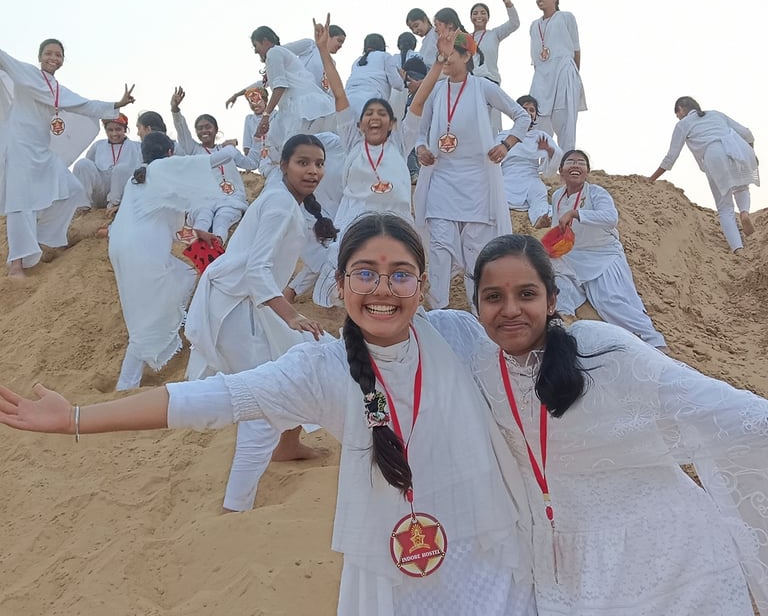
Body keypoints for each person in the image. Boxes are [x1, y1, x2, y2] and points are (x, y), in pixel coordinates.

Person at [0, 213, 537, 616]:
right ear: (340, 285)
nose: (382, 289)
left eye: (401, 274)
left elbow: (534, 369)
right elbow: (210, 400)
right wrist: (77, 418)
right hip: (392, 568)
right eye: (365, 273)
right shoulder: (320, 368)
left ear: (422, 284)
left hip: (490, 548)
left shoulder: (458, 333)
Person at [466, 233, 768, 614]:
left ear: (552, 299)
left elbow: (711, 405)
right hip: (563, 565)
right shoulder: (481, 369)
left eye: (527, 294)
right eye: (494, 297)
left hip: (668, 560)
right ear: (477, 304)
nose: (510, 309)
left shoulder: (600, 349)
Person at [183, 134, 336, 512]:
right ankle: (236, 506)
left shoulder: (288, 204)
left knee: (301, 362)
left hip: (251, 302)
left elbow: (300, 261)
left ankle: (287, 446)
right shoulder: (279, 204)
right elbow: (256, 269)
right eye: (303, 162)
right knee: (263, 397)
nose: (313, 171)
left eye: (318, 163)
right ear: (284, 166)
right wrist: (291, 314)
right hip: (233, 305)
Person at [309, 17, 424, 308]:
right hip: (356, 220)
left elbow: (419, 101)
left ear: (393, 123)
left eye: (382, 114)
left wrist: (438, 66)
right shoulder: (353, 141)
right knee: (349, 276)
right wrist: (323, 51)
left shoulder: (399, 143)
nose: (375, 118)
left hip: (393, 224)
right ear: (359, 124)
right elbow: (339, 94)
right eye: (369, 115)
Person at [108, 132, 237, 391]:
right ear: (169, 152)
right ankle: (126, 384)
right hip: (144, 251)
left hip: (122, 249)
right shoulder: (163, 167)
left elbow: (171, 227)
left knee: (180, 280)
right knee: (149, 317)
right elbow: (221, 158)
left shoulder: (138, 178)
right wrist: (230, 146)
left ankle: (182, 321)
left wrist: (198, 234)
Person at [413, 30, 531, 308]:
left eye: (451, 54)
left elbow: (522, 117)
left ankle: (479, 316)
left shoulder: (483, 87)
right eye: (442, 55)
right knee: (440, 249)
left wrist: (506, 145)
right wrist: (421, 149)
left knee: (476, 253)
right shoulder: (437, 90)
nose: (445, 60)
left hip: (477, 184)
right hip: (442, 180)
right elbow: (420, 132)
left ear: (467, 56)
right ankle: (439, 313)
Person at [0, 40, 135, 278]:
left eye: (58, 55)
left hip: (42, 151)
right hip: (19, 148)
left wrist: (117, 104)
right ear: (39, 56)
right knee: (21, 203)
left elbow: (85, 105)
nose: (53, 58)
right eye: (48, 53)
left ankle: (41, 238)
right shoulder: (26, 72)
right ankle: (16, 264)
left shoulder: (58, 89)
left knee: (73, 189)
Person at [550, 149, 667, 349]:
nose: (576, 165)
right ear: (561, 171)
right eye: (570, 161)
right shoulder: (557, 196)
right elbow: (558, 226)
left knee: (609, 301)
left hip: (603, 255)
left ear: (587, 172)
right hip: (574, 255)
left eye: (581, 162)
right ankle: (565, 323)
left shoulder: (596, 193)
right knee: (554, 282)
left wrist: (576, 213)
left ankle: (653, 342)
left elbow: (611, 218)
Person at [649, 96, 759, 252]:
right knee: (742, 187)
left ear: (680, 109)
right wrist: (751, 152)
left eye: (677, 114)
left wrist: (651, 179)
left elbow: (671, 157)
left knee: (725, 207)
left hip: (713, 154)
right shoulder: (716, 114)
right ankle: (744, 213)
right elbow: (747, 133)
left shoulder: (683, 124)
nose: (678, 117)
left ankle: (738, 249)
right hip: (737, 149)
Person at [236, 26, 336, 175]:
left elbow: (280, 86)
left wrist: (265, 116)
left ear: (265, 41)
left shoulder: (273, 53)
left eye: (255, 46)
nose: (256, 51)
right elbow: (266, 84)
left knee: (294, 154)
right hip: (313, 109)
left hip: (305, 111)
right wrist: (238, 94)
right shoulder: (281, 53)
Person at [169, 86, 250, 242]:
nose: (204, 131)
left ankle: (216, 245)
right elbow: (182, 130)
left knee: (222, 220)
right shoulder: (193, 150)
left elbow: (249, 163)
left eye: (208, 127)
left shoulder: (227, 150)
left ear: (216, 129)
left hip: (230, 198)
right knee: (202, 218)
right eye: (200, 128)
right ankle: (197, 247)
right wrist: (175, 110)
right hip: (203, 199)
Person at [528, 0, 586, 151]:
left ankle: (566, 158)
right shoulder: (534, 25)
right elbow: (535, 57)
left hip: (564, 70)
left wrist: (574, 77)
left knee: (564, 118)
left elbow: (576, 49)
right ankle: (539, 161)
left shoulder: (566, 17)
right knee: (538, 118)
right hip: (542, 74)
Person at [500, 95, 561, 228]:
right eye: (524, 109)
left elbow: (557, 155)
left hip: (531, 176)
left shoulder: (540, 136)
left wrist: (548, 150)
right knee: (497, 195)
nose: (528, 113)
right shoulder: (503, 135)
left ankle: (540, 217)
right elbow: (493, 159)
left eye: (532, 110)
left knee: (539, 194)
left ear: (535, 116)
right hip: (508, 176)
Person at [71, 113, 143, 216]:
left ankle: (114, 206)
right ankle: (82, 208)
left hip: (123, 195)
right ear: (105, 130)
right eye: (110, 130)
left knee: (120, 169)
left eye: (118, 129)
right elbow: (87, 171)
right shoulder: (98, 145)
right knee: (82, 164)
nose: (114, 134)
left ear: (125, 129)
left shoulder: (137, 147)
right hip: (100, 193)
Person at [470, 0, 521, 87]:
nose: (479, 16)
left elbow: (514, 23)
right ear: (471, 18)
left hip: (491, 81)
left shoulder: (494, 34)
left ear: (488, 18)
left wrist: (506, 1)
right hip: (469, 82)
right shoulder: (465, 38)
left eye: (483, 13)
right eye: (475, 13)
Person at [343, 33, 404, 119]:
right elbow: (397, 84)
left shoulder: (357, 61)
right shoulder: (385, 56)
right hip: (371, 102)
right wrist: (402, 77)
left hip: (347, 102)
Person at [283, 24, 347, 95]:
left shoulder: (332, 63)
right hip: (297, 93)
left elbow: (328, 89)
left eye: (342, 43)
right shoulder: (311, 45)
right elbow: (282, 51)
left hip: (315, 99)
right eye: (339, 41)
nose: (340, 46)